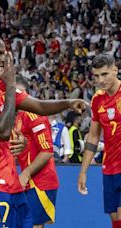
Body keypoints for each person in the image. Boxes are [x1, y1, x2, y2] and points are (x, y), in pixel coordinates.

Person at [0, 18, 87, 227]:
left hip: (11, 184)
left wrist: (69, 103)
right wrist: (11, 84)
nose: (3, 59)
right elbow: (3, 130)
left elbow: (39, 106)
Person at [77, 54, 121, 228]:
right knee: (114, 216)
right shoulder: (97, 99)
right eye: (96, 76)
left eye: (104, 74)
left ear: (115, 70)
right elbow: (94, 136)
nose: (100, 80)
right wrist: (83, 171)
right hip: (109, 167)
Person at [13, 76, 59, 228]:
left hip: (40, 182)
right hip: (28, 182)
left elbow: (47, 151)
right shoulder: (18, 117)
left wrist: (25, 173)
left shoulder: (34, 114)